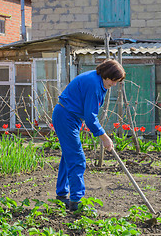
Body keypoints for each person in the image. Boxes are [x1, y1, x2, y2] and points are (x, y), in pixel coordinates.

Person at [52, 59, 126, 211]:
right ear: (106, 75)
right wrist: (104, 137)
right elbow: (91, 118)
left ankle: (62, 195)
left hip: (69, 116)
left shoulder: (98, 81)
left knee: (69, 156)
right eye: (113, 80)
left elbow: (89, 115)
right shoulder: (93, 84)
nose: (114, 84)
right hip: (66, 117)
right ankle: (76, 202)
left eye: (116, 81)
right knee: (77, 159)